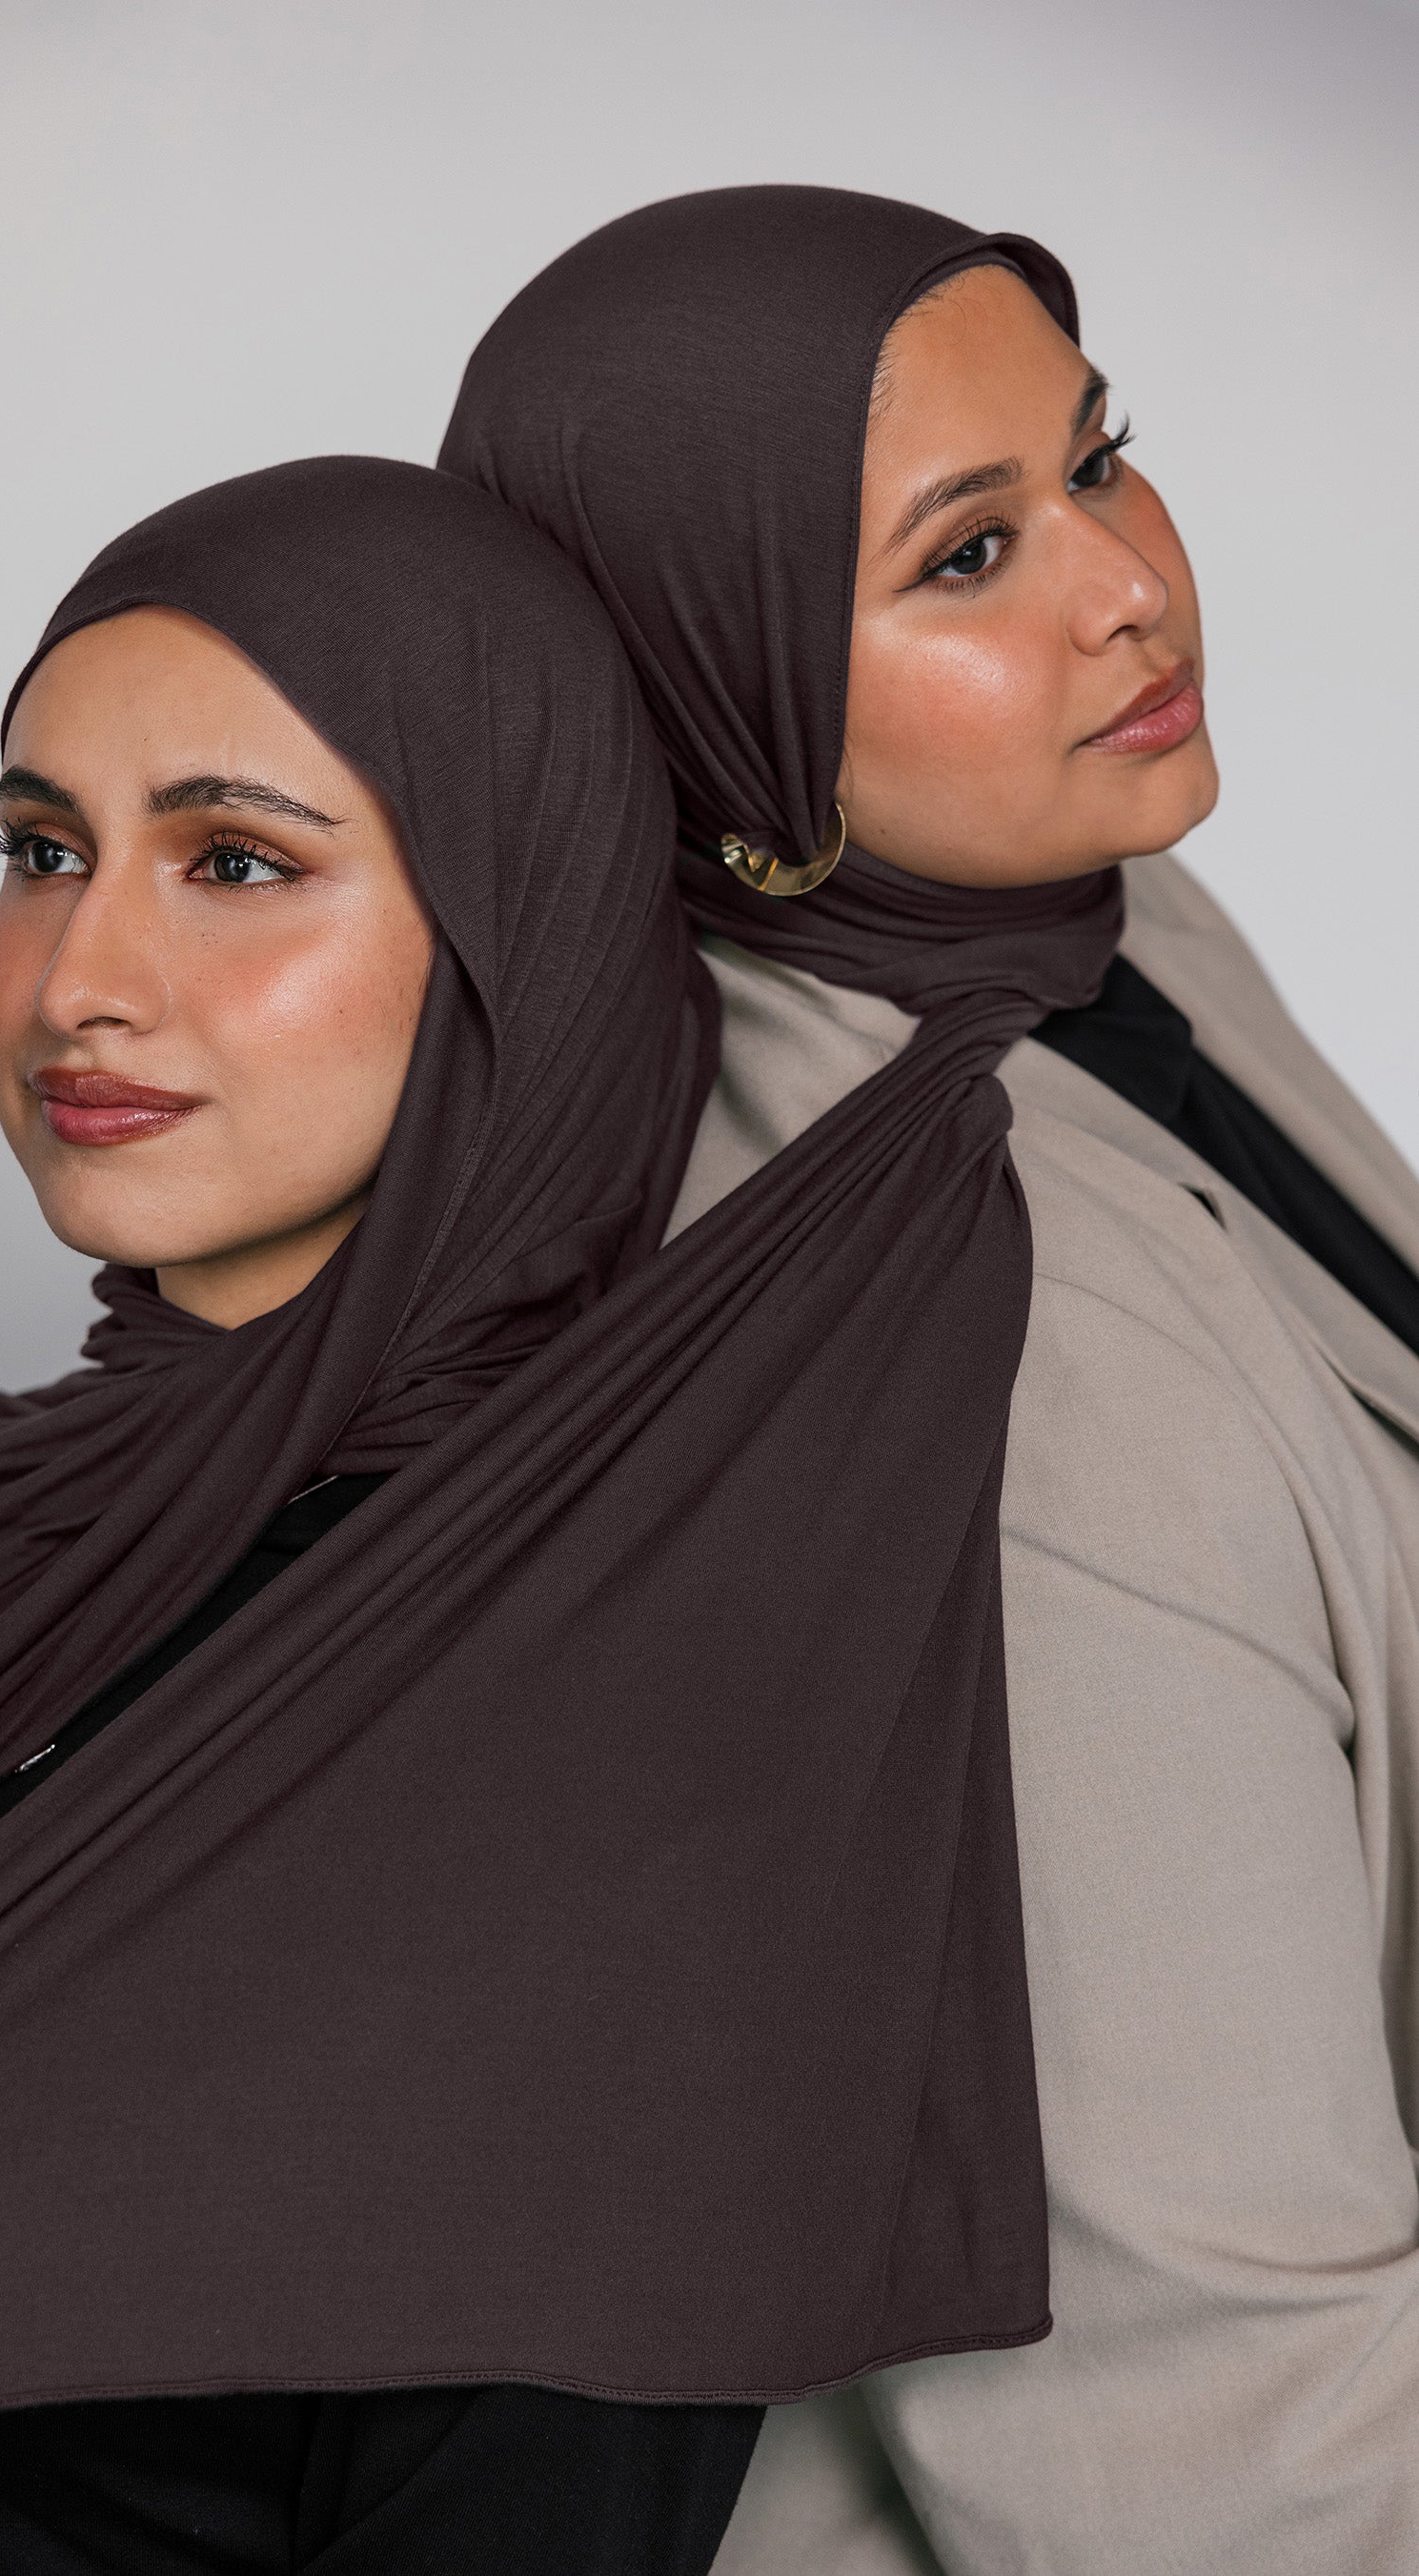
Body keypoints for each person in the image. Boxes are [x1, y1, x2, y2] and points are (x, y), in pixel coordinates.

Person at [0, 450, 1103, 2565]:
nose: (78, 974)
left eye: (237, 864)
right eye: (39, 846)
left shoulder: (604, 1744)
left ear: (510, 920)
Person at [441, 186, 1419, 2569]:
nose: (1126, 585)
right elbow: (1227, 2472)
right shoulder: (983, 1371)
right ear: (709, 682)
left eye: (1096, 462)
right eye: (964, 556)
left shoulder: (1063, 910)